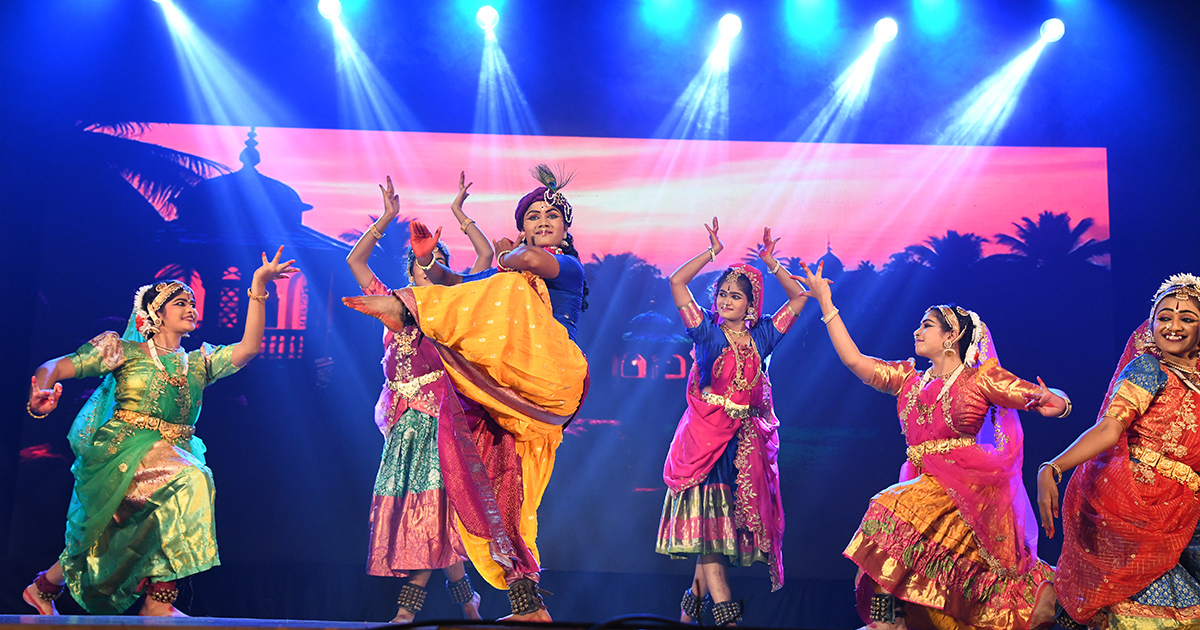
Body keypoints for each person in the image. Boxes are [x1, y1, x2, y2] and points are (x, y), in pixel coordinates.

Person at [344, 164, 588, 622]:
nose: (540, 223)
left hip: (550, 371)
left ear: (566, 228)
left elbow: (531, 263)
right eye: (532, 216)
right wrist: (431, 265)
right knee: (494, 492)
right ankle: (527, 604)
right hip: (501, 392)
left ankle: (404, 306)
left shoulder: (565, 267)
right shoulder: (503, 273)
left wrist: (506, 256)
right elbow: (458, 284)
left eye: (550, 217)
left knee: (511, 287)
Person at [22, 247, 296, 616]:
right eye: (181, 302)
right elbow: (54, 365)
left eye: (193, 303)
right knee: (192, 479)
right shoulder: (123, 350)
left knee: (112, 531)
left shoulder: (198, 362)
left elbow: (248, 348)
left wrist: (258, 286)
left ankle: (43, 588)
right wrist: (40, 390)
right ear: (154, 314)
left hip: (171, 451)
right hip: (123, 450)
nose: (191, 308)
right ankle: (158, 602)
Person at [797, 262, 1067, 630]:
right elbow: (854, 360)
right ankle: (893, 620)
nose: (916, 331)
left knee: (885, 509)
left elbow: (1041, 398)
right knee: (931, 587)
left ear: (951, 335)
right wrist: (827, 303)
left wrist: (1060, 402)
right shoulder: (908, 379)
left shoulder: (980, 378)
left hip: (969, 488)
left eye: (926, 325)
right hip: (925, 483)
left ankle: (888, 621)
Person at [344, 173, 492, 623]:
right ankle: (467, 600)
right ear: (409, 272)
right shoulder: (394, 308)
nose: (427, 271)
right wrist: (388, 217)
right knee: (424, 512)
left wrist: (460, 216)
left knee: (433, 510)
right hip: (403, 426)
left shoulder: (454, 314)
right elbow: (355, 262)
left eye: (436, 265)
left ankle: (408, 612)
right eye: (420, 265)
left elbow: (485, 259)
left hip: (442, 422)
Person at [656, 218, 806, 627]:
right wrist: (712, 253)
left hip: (741, 448)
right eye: (721, 293)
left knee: (715, 533)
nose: (724, 300)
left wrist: (772, 263)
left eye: (734, 296)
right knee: (710, 538)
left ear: (750, 304)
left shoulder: (762, 339)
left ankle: (688, 616)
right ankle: (727, 621)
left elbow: (799, 299)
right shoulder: (706, 333)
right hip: (703, 442)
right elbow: (675, 283)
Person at [1038, 273, 1200, 630]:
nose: (1172, 326)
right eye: (1164, 316)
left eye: (1187, 318)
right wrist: (1053, 466)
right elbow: (1110, 429)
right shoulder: (1149, 369)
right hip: (1137, 507)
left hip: (1187, 511)